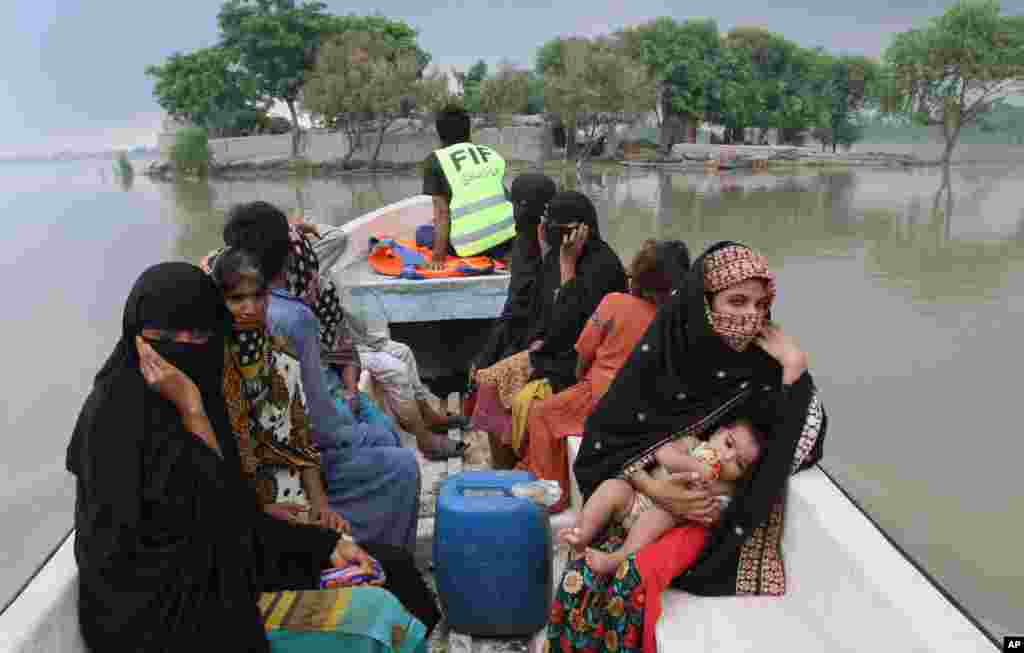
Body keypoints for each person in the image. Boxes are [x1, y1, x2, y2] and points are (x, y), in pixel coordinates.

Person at [66, 262, 434, 652]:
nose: (186, 344)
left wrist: (324, 544)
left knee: (392, 569)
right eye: (168, 335)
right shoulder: (113, 420)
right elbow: (204, 520)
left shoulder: (205, 390)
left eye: (200, 333)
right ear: (136, 338)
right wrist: (192, 410)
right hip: (156, 605)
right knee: (374, 610)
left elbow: (233, 515)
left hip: (226, 559)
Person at [547, 242, 827, 653]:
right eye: (736, 301)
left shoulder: (763, 366)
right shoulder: (665, 352)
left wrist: (793, 372)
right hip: (640, 495)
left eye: (760, 303)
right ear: (703, 301)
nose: (750, 315)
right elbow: (607, 444)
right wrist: (656, 489)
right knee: (581, 581)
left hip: (710, 525)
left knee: (628, 585)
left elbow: (803, 443)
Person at [208, 202, 422, 551]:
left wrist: (320, 504)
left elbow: (299, 425)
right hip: (267, 477)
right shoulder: (286, 322)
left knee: (378, 432)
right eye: (237, 300)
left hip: (296, 460)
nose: (249, 308)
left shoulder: (275, 346)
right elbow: (313, 430)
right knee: (393, 455)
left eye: (256, 297)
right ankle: (383, 553)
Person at [516, 240, 689, 512]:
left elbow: (584, 351)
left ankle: (552, 495)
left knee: (541, 415)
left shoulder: (613, 303)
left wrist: (582, 378)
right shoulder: (675, 321)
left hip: (601, 399)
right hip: (645, 411)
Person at [472, 190, 628, 469]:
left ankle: (520, 464)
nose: (545, 229)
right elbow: (539, 315)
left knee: (521, 400)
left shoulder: (602, 267)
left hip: (574, 364)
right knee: (487, 381)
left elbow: (572, 331)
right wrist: (536, 340)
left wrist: (568, 269)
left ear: (581, 230)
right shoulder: (552, 259)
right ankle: (503, 466)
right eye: (544, 220)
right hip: (547, 352)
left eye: (554, 224)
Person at [559, 418, 765, 576]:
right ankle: (581, 534)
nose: (726, 457)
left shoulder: (726, 488)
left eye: (739, 464)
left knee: (658, 515)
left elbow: (713, 515)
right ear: (718, 433)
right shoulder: (693, 444)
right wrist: (693, 464)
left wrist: (704, 496)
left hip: (660, 521)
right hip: (636, 498)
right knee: (611, 488)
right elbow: (664, 454)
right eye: (728, 444)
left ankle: (617, 559)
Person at [472, 172, 558, 372]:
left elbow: (517, 309)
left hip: (531, 341)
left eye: (514, 206)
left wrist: (484, 359)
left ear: (521, 207)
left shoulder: (527, 244)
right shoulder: (558, 241)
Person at [422, 104, 515, 270]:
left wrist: (437, 257)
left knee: (422, 233)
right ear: (468, 130)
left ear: (440, 133)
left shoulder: (435, 160)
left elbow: (442, 213)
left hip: (467, 247)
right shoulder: (491, 154)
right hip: (508, 238)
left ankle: (486, 251)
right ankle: (500, 253)